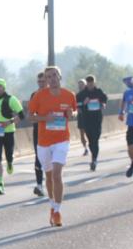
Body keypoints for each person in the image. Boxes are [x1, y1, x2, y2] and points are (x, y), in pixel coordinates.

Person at [28, 66, 77, 227]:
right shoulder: (38, 96)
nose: (52, 78)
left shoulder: (69, 95)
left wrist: (72, 114)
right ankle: (52, 205)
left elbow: (74, 112)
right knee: (48, 176)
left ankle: (57, 211)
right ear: (46, 80)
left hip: (62, 140)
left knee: (57, 174)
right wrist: (44, 118)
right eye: (49, 77)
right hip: (44, 142)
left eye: (55, 75)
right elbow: (30, 117)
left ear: (60, 77)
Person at [0, 77, 24, 194]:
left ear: (4, 88)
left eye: (0, 86)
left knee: (9, 154)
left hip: (8, 131)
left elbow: (22, 115)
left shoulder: (11, 99)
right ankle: (0, 183)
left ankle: (9, 162)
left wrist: (9, 122)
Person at [76, 75, 108, 170]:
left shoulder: (99, 92)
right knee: (90, 141)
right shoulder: (82, 94)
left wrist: (103, 104)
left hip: (97, 119)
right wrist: (83, 103)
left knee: (96, 139)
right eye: (89, 82)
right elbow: (76, 105)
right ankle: (93, 157)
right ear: (87, 83)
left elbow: (104, 100)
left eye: (92, 82)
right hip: (86, 119)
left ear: (94, 82)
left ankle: (94, 159)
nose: (90, 84)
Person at [29, 72, 47, 197]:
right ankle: (39, 185)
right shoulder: (34, 95)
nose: (41, 84)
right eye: (39, 82)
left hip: (53, 132)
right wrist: (41, 118)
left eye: (43, 81)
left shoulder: (54, 94)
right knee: (38, 157)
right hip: (38, 131)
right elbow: (31, 116)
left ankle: (51, 182)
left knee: (49, 159)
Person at [76, 79, 89, 156]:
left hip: (89, 117)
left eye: (82, 84)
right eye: (79, 84)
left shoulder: (89, 94)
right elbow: (75, 106)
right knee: (82, 134)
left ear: (85, 85)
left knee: (89, 133)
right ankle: (85, 148)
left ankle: (91, 146)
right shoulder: (77, 96)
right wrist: (77, 109)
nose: (80, 86)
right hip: (81, 117)